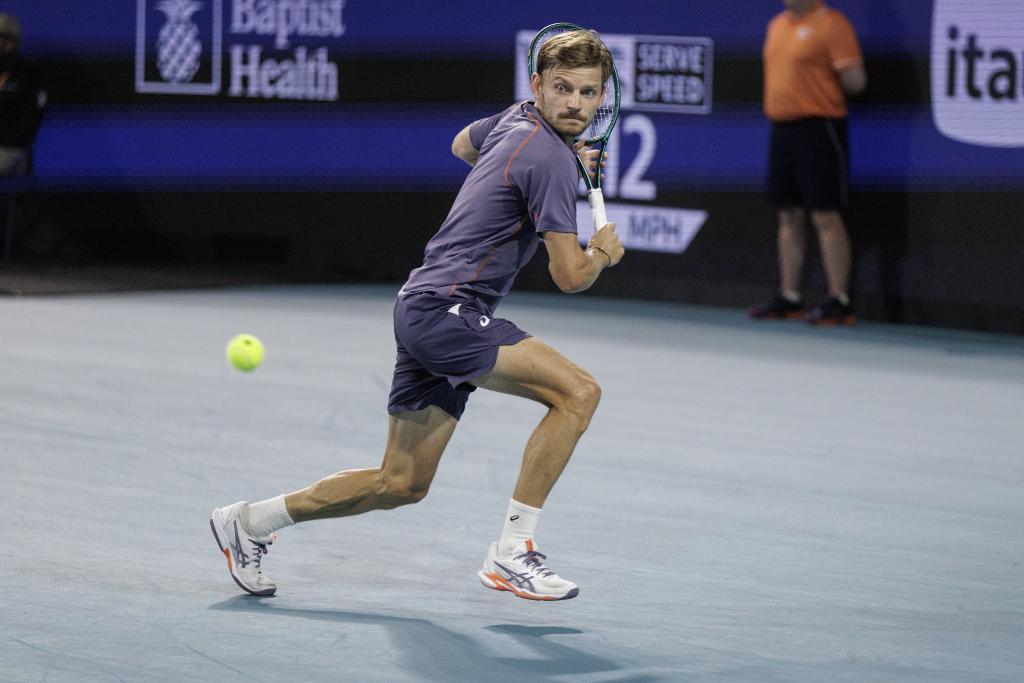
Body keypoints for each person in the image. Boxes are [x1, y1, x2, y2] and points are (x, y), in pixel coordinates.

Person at [210, 29, 624, 602]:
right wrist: (602, 250)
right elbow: (570, 275)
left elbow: (462, 145)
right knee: (579, 394)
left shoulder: (517, 121)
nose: (575, 104)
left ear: (602, 96)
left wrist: (516, 178)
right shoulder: (551, 160)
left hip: (419, 305)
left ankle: (249, 521)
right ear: (538, 84)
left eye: (587, 92)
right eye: (562, 89)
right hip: (450, 311)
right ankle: (513, 551)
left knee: (400, 483)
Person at [749, 0, 866, 325]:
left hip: (820, 128)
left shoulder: (833, 25)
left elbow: (856, 81)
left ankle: (839, 300)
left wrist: (827, 76)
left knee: (825, 214)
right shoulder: (777, 25)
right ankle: (790, 296)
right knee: (788, 213)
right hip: (782, 129)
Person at [0, 14, 45, 177]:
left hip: (12, 149)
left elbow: (32, 117)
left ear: (14, 42)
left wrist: (11, 140)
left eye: (4, 39)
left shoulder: (28, 75)